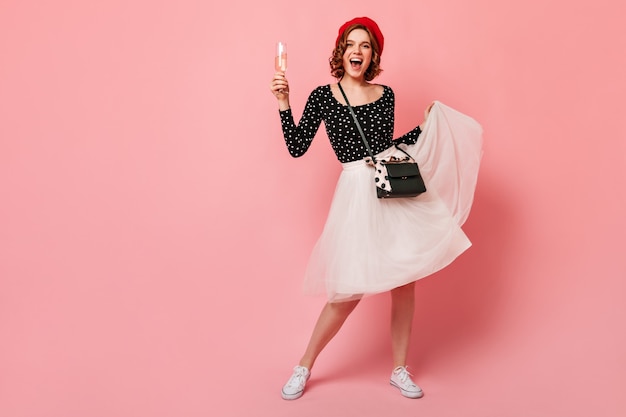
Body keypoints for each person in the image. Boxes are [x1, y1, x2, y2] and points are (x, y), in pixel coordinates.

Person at [269, 16, 479, 400]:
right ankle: (304, 365)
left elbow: (388, 145)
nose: (358, 51)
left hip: (389, 188)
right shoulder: (321, 96)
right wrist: (284, 101)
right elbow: (297, 146)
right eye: (351, 44)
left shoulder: (386, 94)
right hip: (355, 195)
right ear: (341, 50)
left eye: (365, 46)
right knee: (346, 292)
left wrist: (426, 126)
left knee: (404, 282)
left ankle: (399, 369)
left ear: (373, 54)